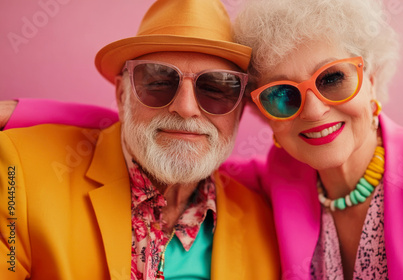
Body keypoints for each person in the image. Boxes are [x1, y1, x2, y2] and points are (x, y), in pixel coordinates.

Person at [0, 0, 280, 279]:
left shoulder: (266, 223)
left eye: (215, 88)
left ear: (240, 110)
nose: (186, 108)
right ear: (122, 96)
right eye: (159, 82)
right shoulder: (17, 174)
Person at [227, 0, 403, 279]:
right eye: (282, 94)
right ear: (263, 112)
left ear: (371, 78)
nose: (314, 111)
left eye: (332, 78)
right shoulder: (270, 185)